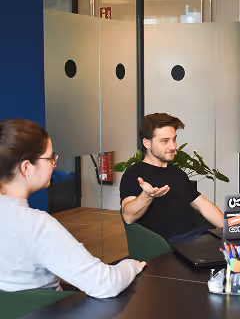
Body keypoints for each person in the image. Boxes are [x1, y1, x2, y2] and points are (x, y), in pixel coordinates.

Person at [0, 119, 145, 298]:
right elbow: (105, 284)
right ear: (26, 167)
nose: (54, 164)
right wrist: (131, 265)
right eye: (50, 158)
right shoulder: (37, 224)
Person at [120, 113, 224, 244]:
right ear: (147, 143)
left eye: (174, 139)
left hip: (197, 236)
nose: (173, 146)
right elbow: (128, 217)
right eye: (165, 141)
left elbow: (202, 205)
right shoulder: (134, 174)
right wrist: (147, 196)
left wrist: (230, 227)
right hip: (170, 246)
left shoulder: (177, 173)